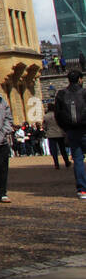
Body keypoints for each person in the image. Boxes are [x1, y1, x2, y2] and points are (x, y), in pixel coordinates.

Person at [52, 68, 86, 200]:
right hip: (84, 128)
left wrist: (65, 129)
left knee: (77, 160)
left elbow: (58, 115)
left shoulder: (61, 94)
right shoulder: (84, 93)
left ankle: (82, 190)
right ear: (79, 79)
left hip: (71, 131)